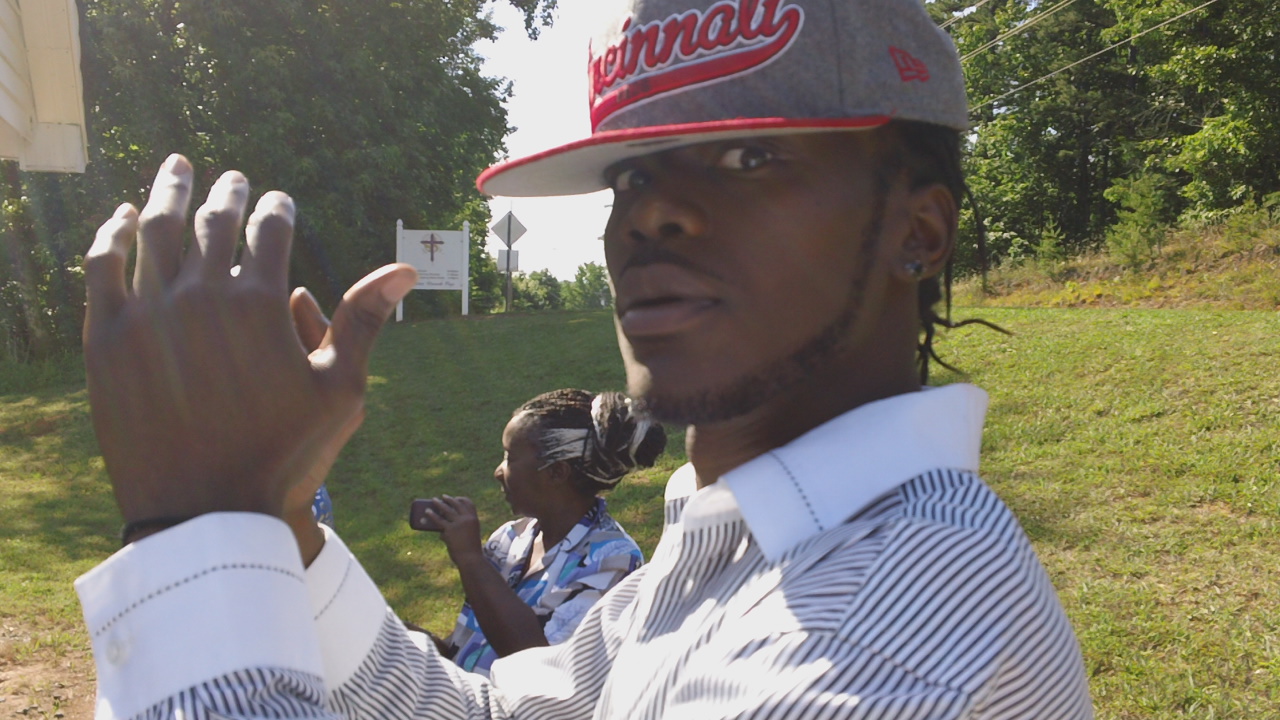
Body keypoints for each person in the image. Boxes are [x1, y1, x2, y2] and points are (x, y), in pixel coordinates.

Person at [75, 0, 1093, 718]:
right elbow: (496, 711)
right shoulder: (745, 541)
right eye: (631, 174)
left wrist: (197, 528)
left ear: (918, 231)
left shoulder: (885, 636)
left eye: (748, 157)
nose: (650, 213)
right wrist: (283, 529)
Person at [415, 388, 663, 677]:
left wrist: (471, 560)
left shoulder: (613, 562)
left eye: (509, 457)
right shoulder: (509, 539)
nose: (498, 471)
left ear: (556, 472)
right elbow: (466, 650)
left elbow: (539, 667)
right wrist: (400, 633)